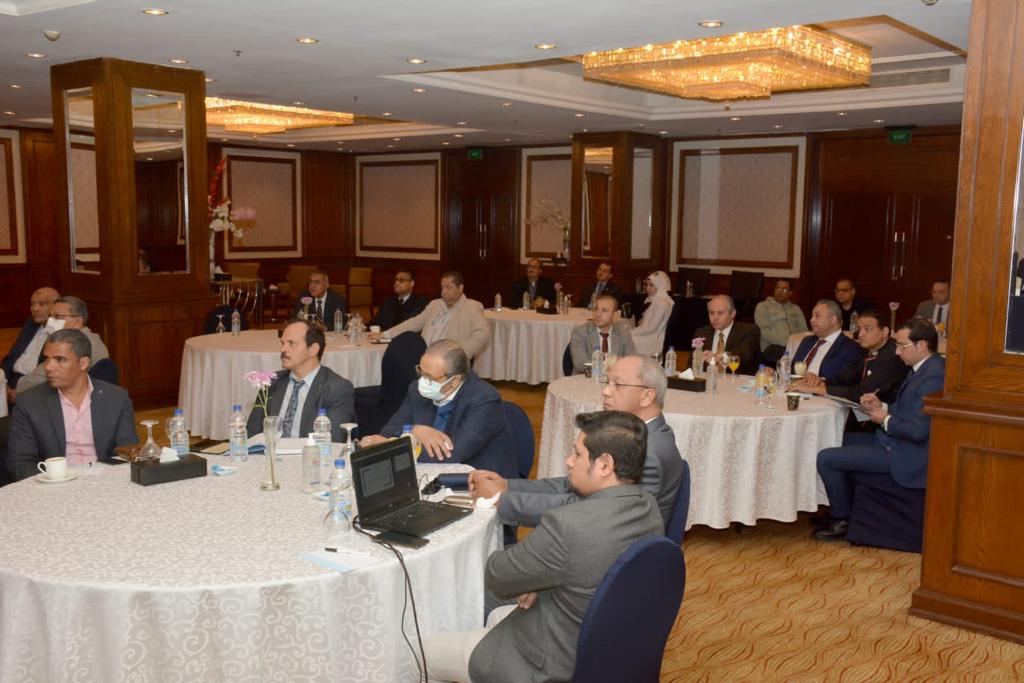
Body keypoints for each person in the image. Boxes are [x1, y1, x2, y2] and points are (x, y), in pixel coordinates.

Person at [423, 410, 663, 683]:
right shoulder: (648, 507)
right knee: (497, 617)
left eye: (578, 454)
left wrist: (533, 577)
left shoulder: (567, 525)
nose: (568, 461)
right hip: (611, 644)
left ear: (605, 465)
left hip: (554, 661)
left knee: (423, 653)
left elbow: (497, 576)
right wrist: (541, 577)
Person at [469, 355, 684, 526]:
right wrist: (508, 485)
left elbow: (587, 511)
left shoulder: (649, 452)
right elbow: (571, 486)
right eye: (607, 382)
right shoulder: (634, 434)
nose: (605, 391)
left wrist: (501, 500)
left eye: (617, 385)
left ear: (647, 396)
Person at [813, 318, 945, 541]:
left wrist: (885, 419)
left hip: (907, 455)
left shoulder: (933, 377)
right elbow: (907, 409)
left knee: (826, 458)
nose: (897, 352)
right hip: (893, 442)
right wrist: (881, 406)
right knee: (835, 440)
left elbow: (918, 431)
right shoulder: (923, 368)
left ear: (922, 345)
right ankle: (843, 507)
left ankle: (842, 519)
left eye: (902, 346)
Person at [362, 339, 517, 477]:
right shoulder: (417, 389)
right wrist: (414, 429)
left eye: (429, 377)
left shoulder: (483, 399)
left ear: (454, 380)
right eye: (421, 372)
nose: (422, 381)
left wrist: (390, 448)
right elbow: (389, 430)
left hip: (479, 480)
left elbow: (453, 455)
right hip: (428, 473)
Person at [7, 329, 136, 481]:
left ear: (83, 363)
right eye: (46, 359)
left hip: (105, 480)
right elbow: (20, 462)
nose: (48, 367)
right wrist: (53, 478)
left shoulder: (116, 398)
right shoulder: (29, 402)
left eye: (59, 360)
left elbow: (127, 452)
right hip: (54, 484)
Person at [244, 319, 355, 442]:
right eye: (283, 343)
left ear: (313, 349)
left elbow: (334, 441)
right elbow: (251, 435)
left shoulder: (336, 388)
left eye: (291, 343)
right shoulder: (271, 382)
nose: (283, 350)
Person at [793, 310, 908, 406]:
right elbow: (847, 378)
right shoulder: (866, 350)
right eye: (859, 329)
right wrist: (819, 381)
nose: (861, 334)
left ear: (884, 332)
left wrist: (819, 389)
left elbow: (863, 393)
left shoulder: (893, 357)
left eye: (867, 329)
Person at [376, 270, 491, 359]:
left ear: (460, 288)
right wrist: (385, 334)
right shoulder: (435, 304)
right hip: (423, 356)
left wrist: (460, 355)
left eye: (448, 287)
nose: (444, 292)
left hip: (447, 361)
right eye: (442, 287)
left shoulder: (471, 307)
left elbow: (483, 334)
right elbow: (414, 323)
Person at [15, 296, 110, 397]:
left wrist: (13, 390)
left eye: (58, 317)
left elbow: (35, 381)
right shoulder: (91, 338)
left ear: (77, 322)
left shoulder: (72, 345)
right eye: (50, 316)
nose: (50, 322)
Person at [1, 286, 60, 403]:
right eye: (32, 304)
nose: (35, 309)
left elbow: (46, 374)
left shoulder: (59, 332)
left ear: (56, 306)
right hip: (11, 380)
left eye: (42, 304)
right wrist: (3, 383)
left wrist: (18, 390)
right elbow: (11, 356)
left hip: (34, 386)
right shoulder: (31, 324)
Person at [792, 300, 864, 388]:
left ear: (833, 320)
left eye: (817, 316)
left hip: (823, 393)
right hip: (795, 389)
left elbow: (846, 380)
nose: (811, 320)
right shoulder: (807, 341)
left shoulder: (851, 348)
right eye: (812, 316)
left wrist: (820, 380)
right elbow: (792, 368)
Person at [568, 293, 636, 373]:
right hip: (587, 378)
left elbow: (632, 359)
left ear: (615, 315)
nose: (598, 314)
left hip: (616, 377)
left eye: (604, 310)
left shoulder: (623, 332)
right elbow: (580, 365)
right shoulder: (580, 332)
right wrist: (609, 367)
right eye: (596, 309)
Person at [693, 294, 761, 375]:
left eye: (720, 313)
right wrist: (698, 359)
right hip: (708, 379)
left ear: (733, 314)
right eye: (711, 313)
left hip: (736, 379)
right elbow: (691, 365)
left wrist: (721, 356)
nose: (715, 318)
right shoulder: (701, 332)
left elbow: (744, 354)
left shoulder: (748, 330)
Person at [754, 279, 808, 365]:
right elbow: (764, 331)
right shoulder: (763, 306)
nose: (780, 292)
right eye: (778, 288)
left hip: (795, 345)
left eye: (784, 289)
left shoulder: (796, 309)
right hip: (773, 346)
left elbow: (804, 331)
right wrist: (788, 341)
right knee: (791, 358)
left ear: (790, 293)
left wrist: (800, 343)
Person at [631, 271, 675, 358]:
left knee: (627, 339)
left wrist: (630, 332)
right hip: (649, 334)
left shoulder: (662, 303)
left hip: (654, 338)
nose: (647, 288)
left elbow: (652, 328)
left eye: (651, 285)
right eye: (646, 285)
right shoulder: (655, 300)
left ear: (660, 285)